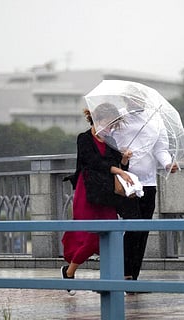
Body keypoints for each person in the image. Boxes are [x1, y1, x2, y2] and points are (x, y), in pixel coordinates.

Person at [61, 103, 133, 295]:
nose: (112, 127)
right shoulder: (84, 138)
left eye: (114, 124)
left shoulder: (111, 141)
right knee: (91, 237)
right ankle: (69, 272)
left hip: (106, 195)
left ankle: (107, 280)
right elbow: (92, 162)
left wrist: (124, 160)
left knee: (111, 235)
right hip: (88, 193)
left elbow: (119, 168)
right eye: (110, 123)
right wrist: (117, 168)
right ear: (98, 119)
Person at [111, 96, 178, 285]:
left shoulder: (155, 119)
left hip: (148, 183)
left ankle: (134, 277)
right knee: (132, 228)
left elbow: (161, 149)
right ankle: (124, 274)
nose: (135, 101)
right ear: (125, 98)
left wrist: (167, 164)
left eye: (139, 98)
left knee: (143, 231)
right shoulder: (119, 118)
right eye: (131, 98)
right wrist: (120, 153)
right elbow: (109, 145)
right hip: (126, 182)